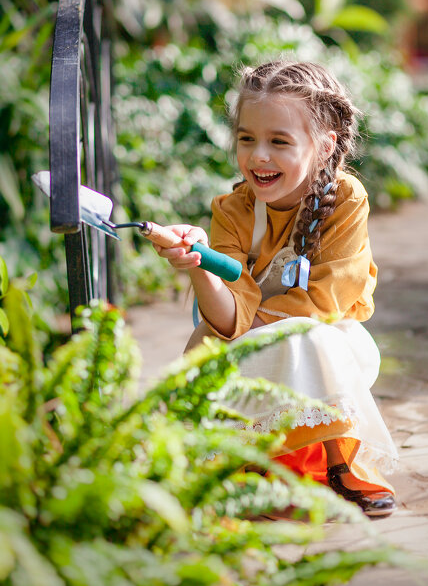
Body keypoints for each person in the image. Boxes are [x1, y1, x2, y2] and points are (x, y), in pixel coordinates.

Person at [154, 60, 398, 517]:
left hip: (320, 343)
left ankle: (340, 466)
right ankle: (254, 467)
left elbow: (324, 302)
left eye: (278, 142)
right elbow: (226, 319)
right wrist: (200, 264)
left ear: (324, 147)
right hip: (244, 346)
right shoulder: (231, 211)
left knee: (326, 338)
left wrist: (252, 327)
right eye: (247, 139)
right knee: (277, 347)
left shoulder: (345, 200)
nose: (258, 156)